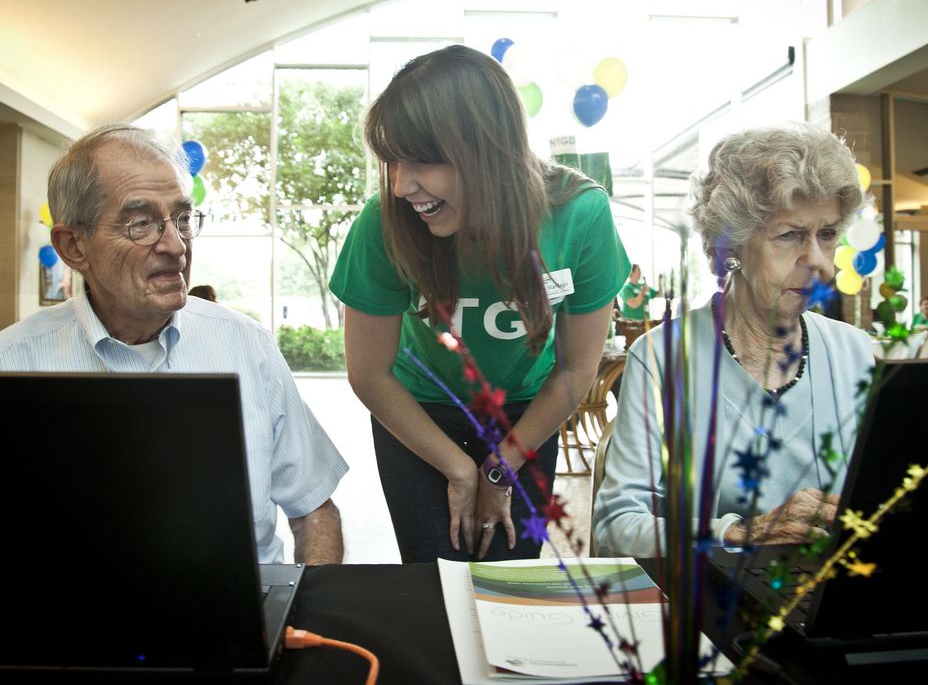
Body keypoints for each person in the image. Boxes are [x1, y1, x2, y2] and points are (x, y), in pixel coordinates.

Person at [329, 45, 630, 563]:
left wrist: (501, 465)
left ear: (488, 148)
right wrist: (461, 468)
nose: (402, 186)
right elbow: (370, 375)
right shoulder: (382, 223)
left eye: (423, 160)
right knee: (434, 580)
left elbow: (575, 368)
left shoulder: (580, 215)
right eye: (393, 163)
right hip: (418, 410)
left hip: (526, 414)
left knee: (510, 580)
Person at [0, 124, 348, 565]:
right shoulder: (13, 363)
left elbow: (315, 509)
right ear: (73, 247)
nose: (175, 245)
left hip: (248, 618)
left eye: (183, 218)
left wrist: (303, 622)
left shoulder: (248, 346)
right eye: (141, 223)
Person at [593, 123, 876, 556]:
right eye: (790, 235)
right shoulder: (663, 359)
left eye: (827, 234)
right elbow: (616, 524)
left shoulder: (858, 353)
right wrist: (739, 533)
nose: (817, 260)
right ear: (732, 248)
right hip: (712, 605)